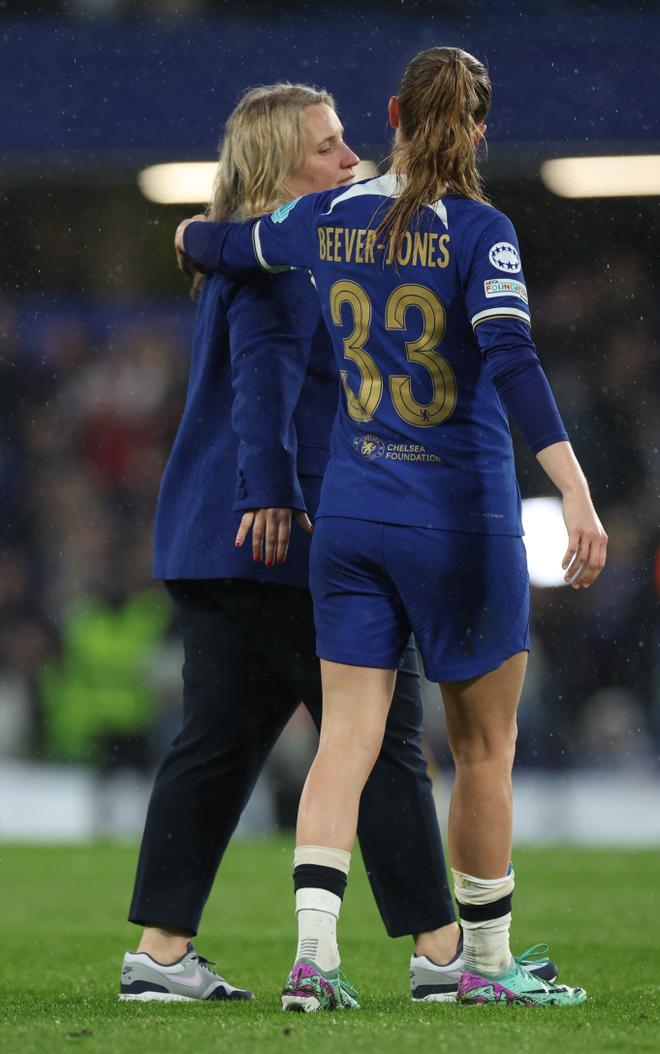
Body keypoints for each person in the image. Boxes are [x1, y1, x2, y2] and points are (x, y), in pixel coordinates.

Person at [176, 47, 607, 1010]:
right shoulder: (482, 232)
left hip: (356, 517)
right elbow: (514, 361)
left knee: (348, 741)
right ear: (481, 127)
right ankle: (477, 969)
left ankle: (313, 962)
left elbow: (232, 247)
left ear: (393, 113)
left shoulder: (331, 214)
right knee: (483, 752)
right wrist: (576, 491)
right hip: (463, 521)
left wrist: (192, 234)